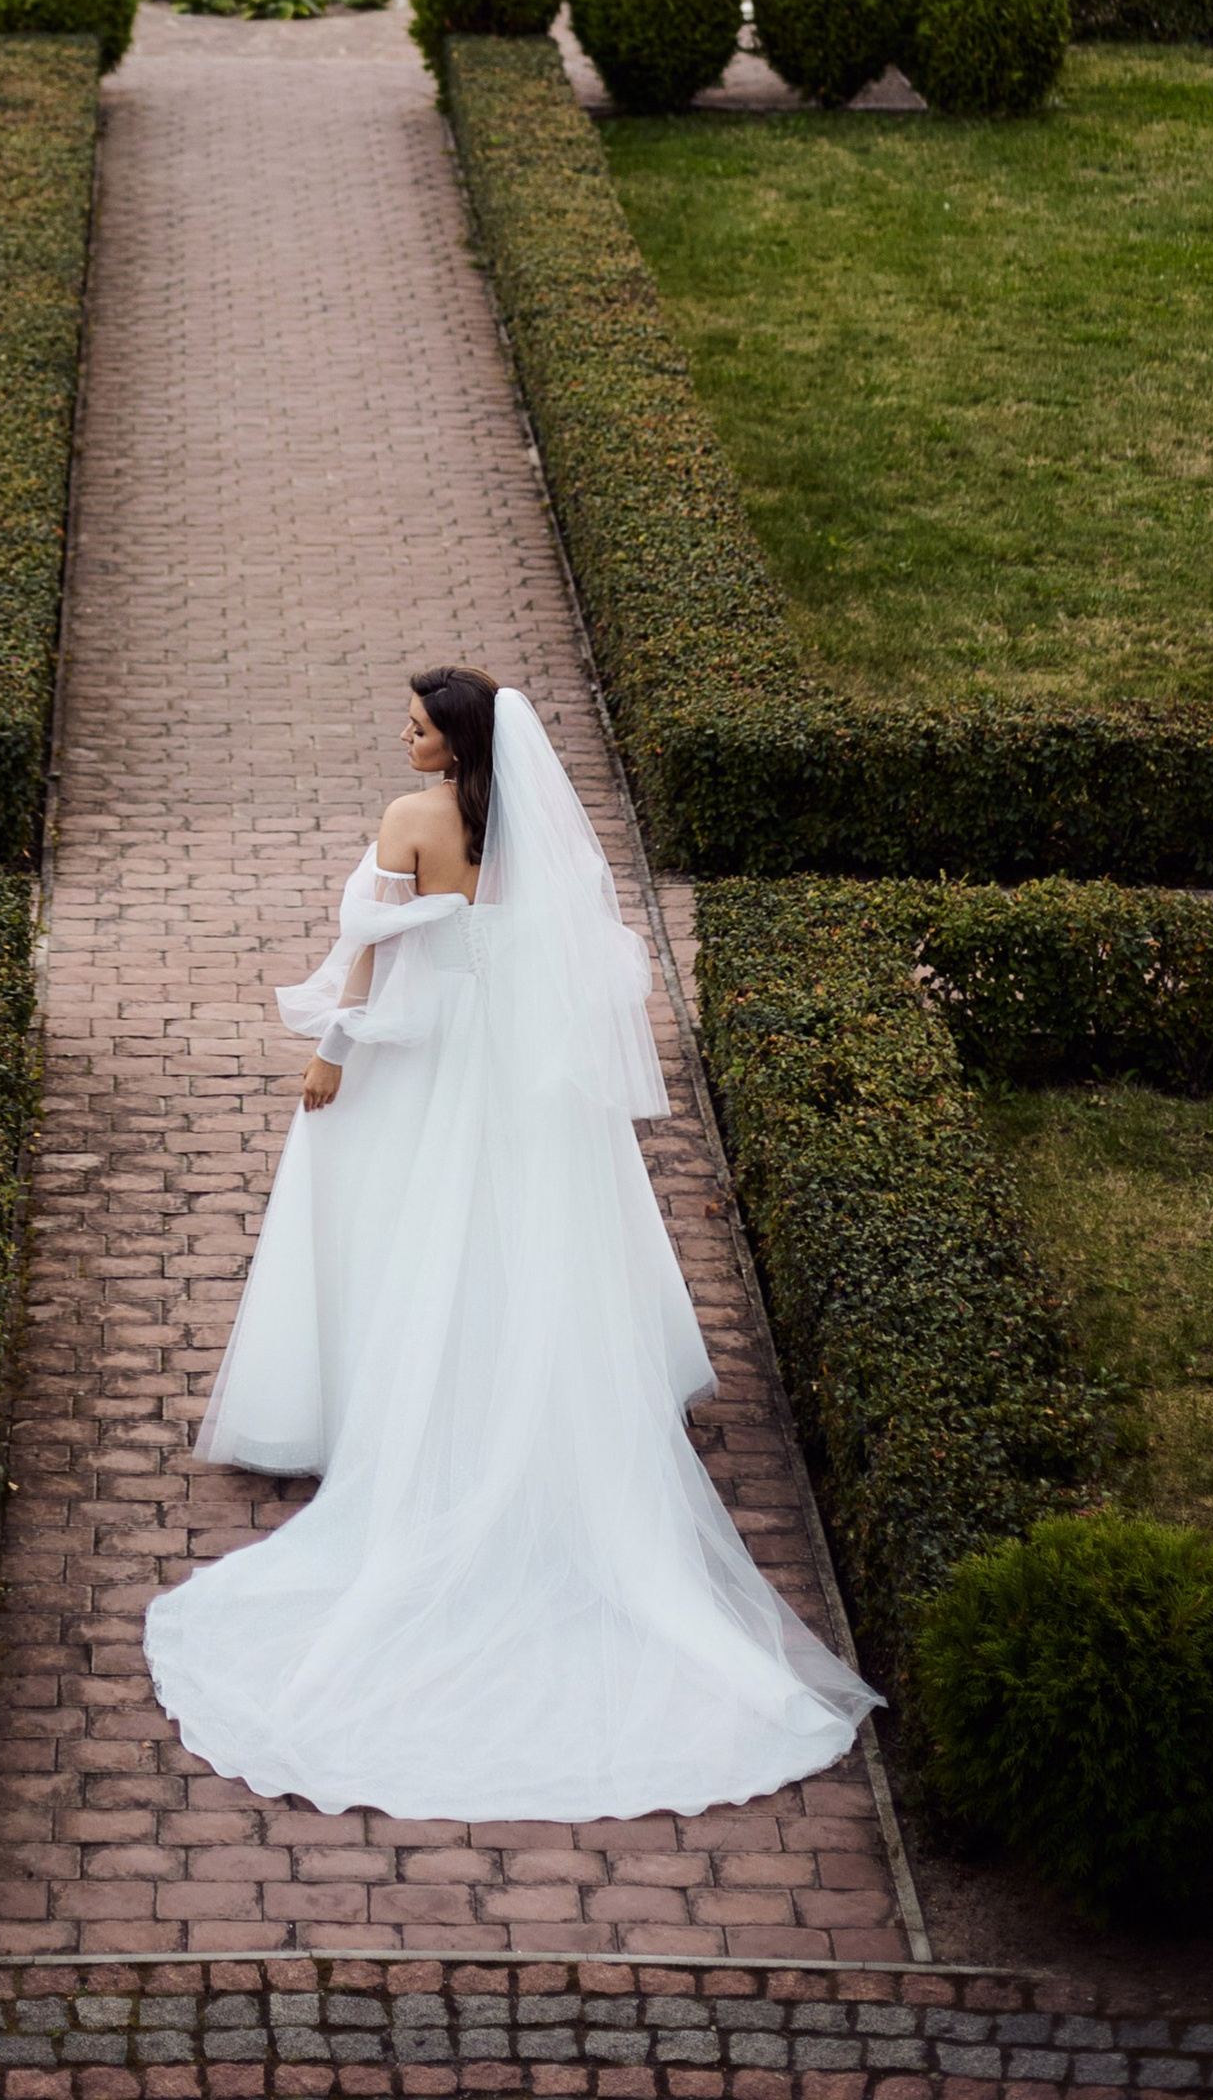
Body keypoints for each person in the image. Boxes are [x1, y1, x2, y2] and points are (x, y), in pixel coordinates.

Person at [142, 665, 877, 1823]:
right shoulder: (522, 826)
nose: (403, 735)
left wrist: (334, 1048)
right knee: (526, 1231)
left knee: (392, 1223)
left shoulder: (407, 820)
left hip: (422, 1052)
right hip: (516, 1066)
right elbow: (566, 950)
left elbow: (372, 947)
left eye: (419, 726)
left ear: (453, 742)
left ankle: (378, 1408)